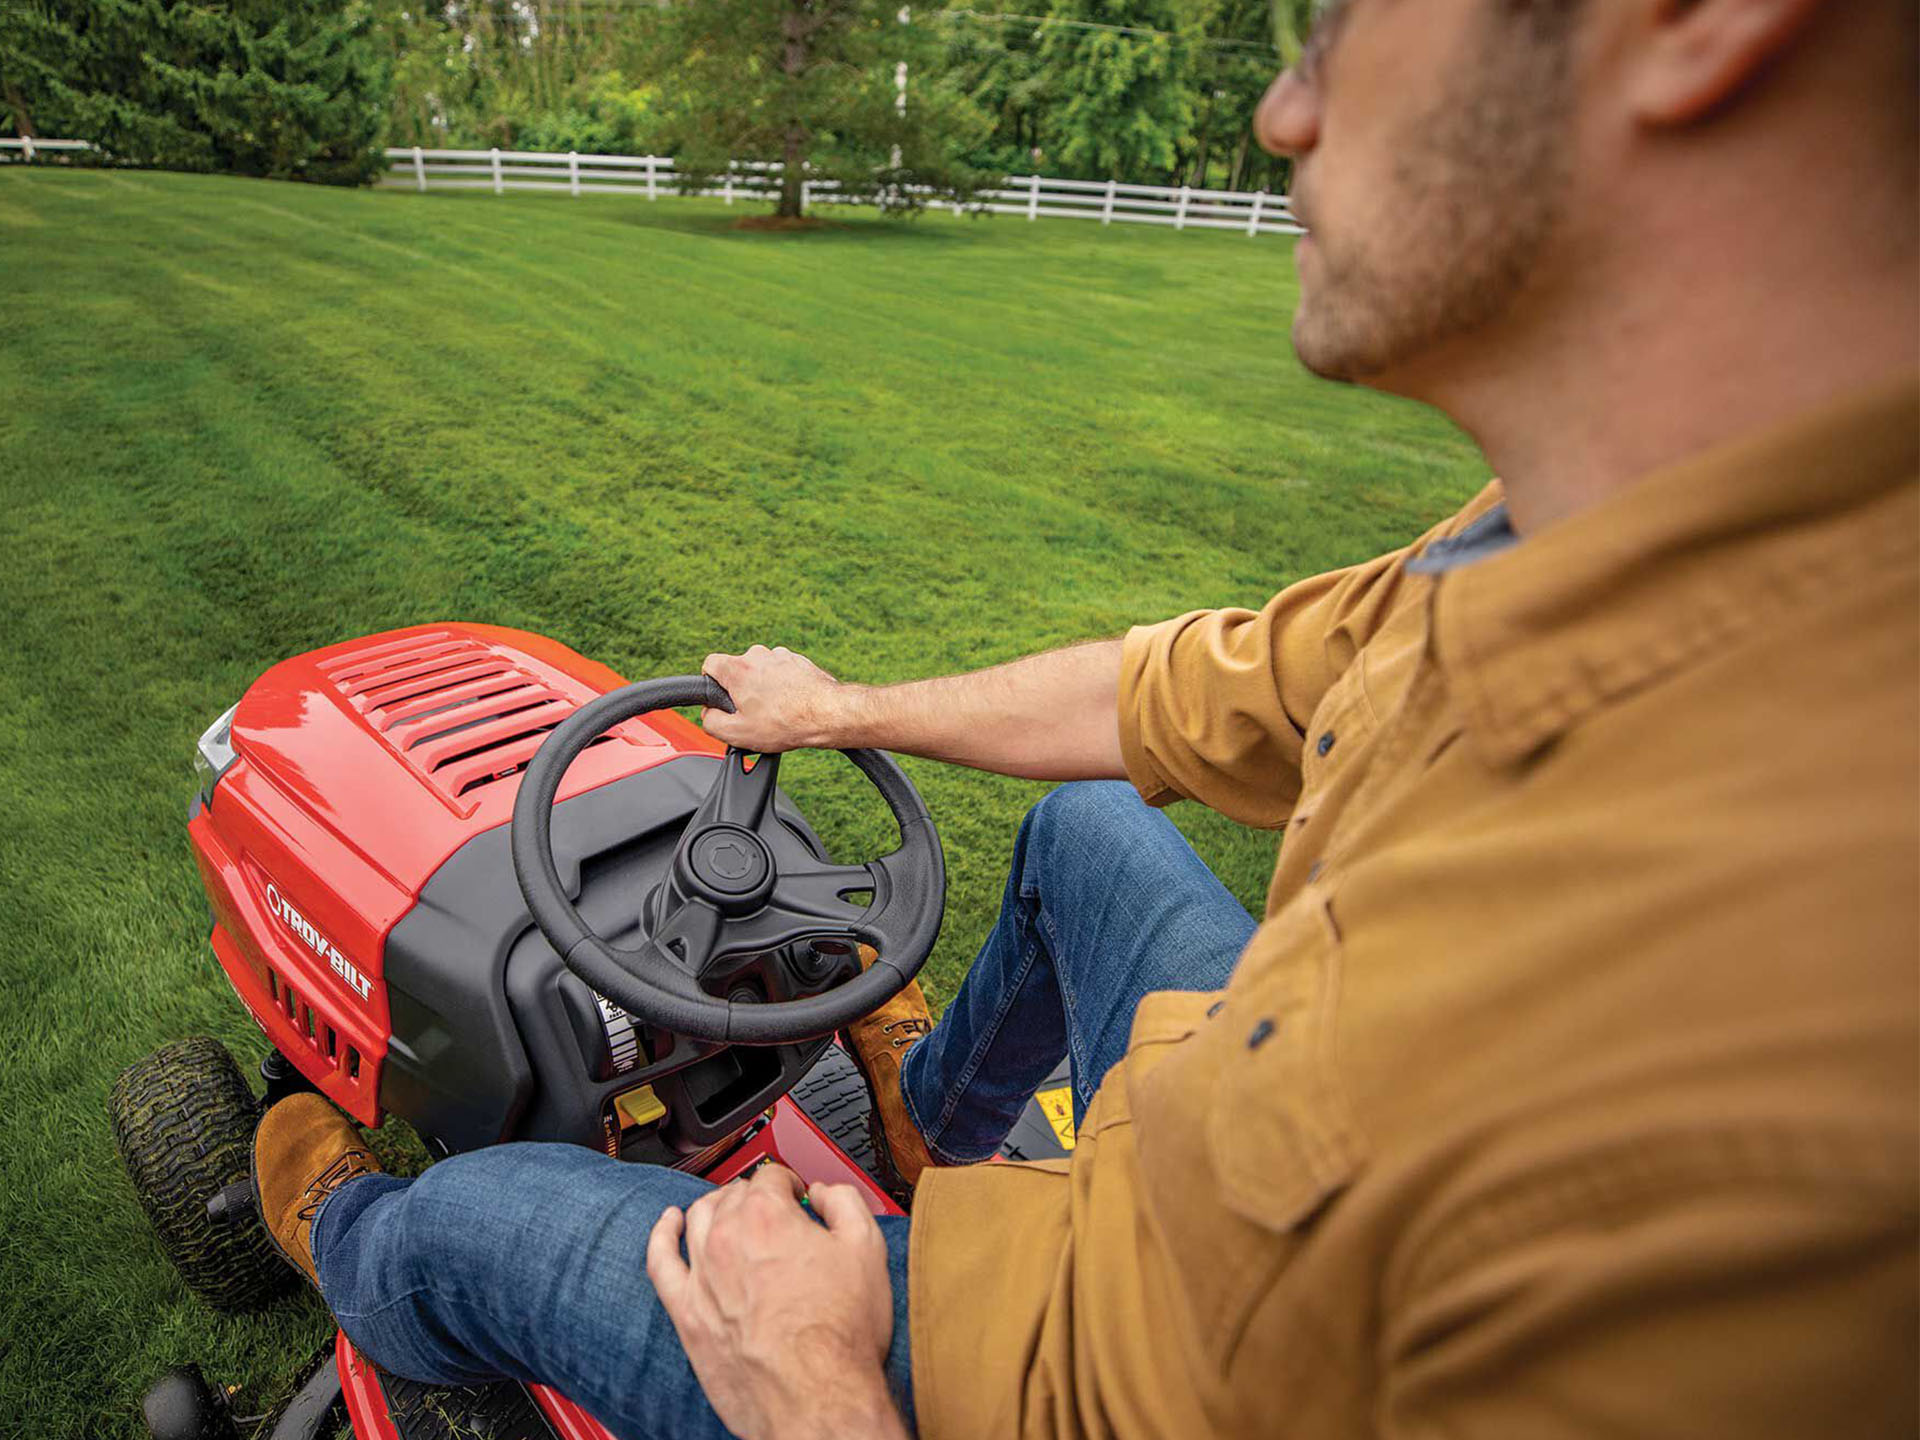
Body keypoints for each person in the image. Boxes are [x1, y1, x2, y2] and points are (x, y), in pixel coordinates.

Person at [249, 0, 1919, 1435]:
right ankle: (928, 1109)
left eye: (1338, 19)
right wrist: (841, 708)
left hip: (1054, 1363)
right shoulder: (1579, 538)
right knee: (1089, 825)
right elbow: (1174, 692)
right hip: (1230, 1122)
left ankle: (350, 1233)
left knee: (477, 1218)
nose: (1286, 106)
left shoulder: (1791, 1058)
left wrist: (822, 1378)